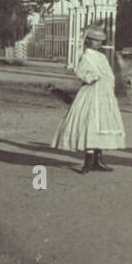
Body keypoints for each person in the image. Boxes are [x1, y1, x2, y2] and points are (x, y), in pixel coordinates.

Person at [52, 25, 126, 174]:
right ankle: (88, 162)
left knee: (102, 124)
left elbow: (108, 73)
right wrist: (92, 77)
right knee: (91, 123)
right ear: (88, 41)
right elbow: (81, 72)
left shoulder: (101, 56)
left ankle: (97, 160)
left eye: (100, 41)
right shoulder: (86, 56)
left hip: (104, 95)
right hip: (92, 93)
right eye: (94, 41)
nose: (98, 44)